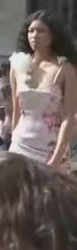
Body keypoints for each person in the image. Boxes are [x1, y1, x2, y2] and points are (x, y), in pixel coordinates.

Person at [8, 10, 77, 167]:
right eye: (31, 31)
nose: (34, 35)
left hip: (50, 149)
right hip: (19, 144)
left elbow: (68, 117)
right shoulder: (17, 65)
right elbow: (16, 111)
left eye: (41, 31)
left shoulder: (65, 69)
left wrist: (57, 157)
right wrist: (11, 142)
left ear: (53, 36)